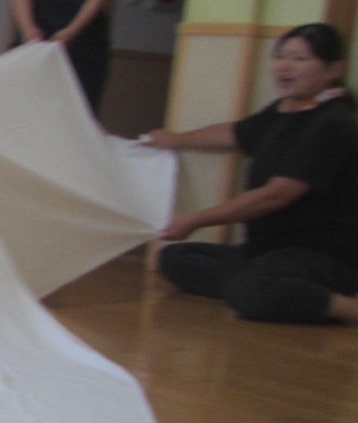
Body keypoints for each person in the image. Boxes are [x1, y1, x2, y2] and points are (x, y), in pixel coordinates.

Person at [150, 22, 358, 324]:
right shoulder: (285, 109)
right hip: (266, 252)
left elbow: (277, 194)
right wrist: (175, 139)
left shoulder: (332, 123)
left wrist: (195, 220)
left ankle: (344, 306)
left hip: (320, 255)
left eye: (300, 58)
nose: (284, 66)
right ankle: (275, 290)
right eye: (281, 56)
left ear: (334, 69)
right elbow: (233, 134)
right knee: (173, 258)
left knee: (251, 288)